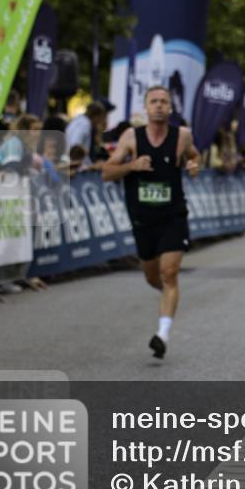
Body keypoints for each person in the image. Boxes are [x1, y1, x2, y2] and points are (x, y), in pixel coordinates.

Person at [102, 86, 200, 359]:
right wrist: (131, 167)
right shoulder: (131, 137)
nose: (159, 106)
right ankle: (170, 294)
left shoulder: (182, 136)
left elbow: (194, 155)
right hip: (143, 219)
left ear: (170, 108)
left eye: (163, 102)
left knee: (169, 273)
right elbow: (107, 172)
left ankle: (162, 335)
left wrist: (194, 165)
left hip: (173, 216)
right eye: (153, 102)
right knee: (152, 276)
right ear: (145, 108)